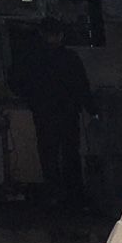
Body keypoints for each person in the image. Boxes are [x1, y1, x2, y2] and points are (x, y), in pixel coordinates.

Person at [14, 18, 93, 209]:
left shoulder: (30, 58)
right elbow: (82, 86)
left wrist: (31, 100)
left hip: (44, 112)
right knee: (70, 154)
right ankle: (73, 196)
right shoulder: (70, 58)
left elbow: (17, 82)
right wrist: (92, 109)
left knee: (48, 154)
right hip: (67, 112)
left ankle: (54, 195)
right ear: (61, 35)